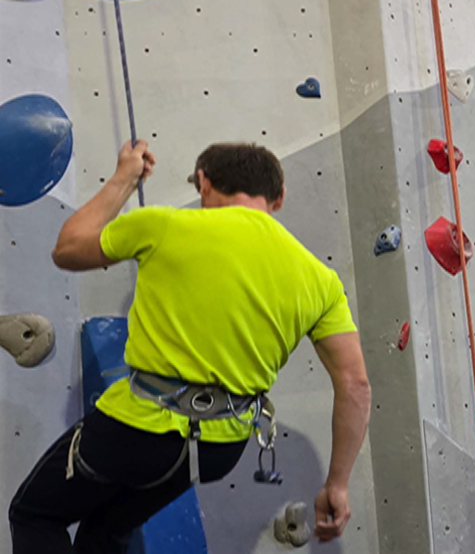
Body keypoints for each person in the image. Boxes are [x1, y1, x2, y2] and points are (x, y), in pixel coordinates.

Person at [9, 141, 372, 552]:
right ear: (279, 197)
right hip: (219, 449)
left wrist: (124, 179)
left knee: (36, 513)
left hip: (136, 429)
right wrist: (338, 484)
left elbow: (68, 249)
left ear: (204, 182)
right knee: (106, 530)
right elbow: (355, 385)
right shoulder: (319, 278)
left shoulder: (164, 226)